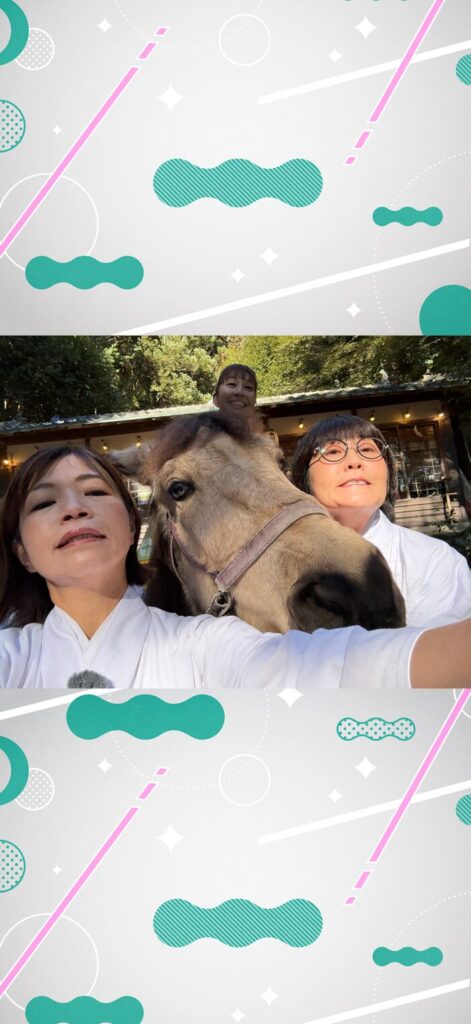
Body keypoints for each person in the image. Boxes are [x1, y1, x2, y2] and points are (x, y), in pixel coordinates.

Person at [0, 447, 469, 689]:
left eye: (95, 492)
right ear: (22, 551)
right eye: (44, 502)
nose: (75, 508)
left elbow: (341, 667)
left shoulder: (204, 644)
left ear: (131, 527)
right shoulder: (12, 658)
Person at [291, 414, 471, 627]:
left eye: (367, 449)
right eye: (333, 451)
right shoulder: (281, 564)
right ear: (304, 478)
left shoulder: (435, 560)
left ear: (389, 473)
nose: (354, 462)